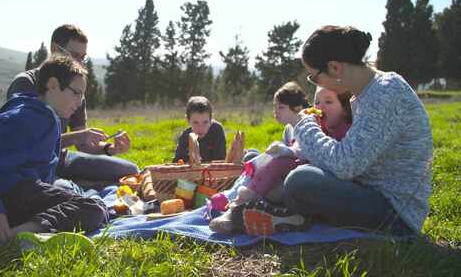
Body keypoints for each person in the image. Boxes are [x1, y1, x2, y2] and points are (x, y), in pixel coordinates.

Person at [247, 25, 433, 236]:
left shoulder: (385, 93)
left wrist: (304, 125)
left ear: (334, 68)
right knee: (261, 160)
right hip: (368, 192)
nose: (314, 84)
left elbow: (345, 165)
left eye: (314, 78)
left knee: (301, 181)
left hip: (396, 214)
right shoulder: (365, 95)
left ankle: (281, 210)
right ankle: (280, 210)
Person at [0, 55, 109, 245]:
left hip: (17, 193)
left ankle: (11, 234)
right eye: (76, 93)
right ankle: (2, 239)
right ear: (53, 85)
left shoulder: (42, 114)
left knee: (85, 202)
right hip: (1, 204)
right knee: (92, 207)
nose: (79, 103)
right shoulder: (24, 118)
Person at [210, 85, 353, 234]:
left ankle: (245, 207)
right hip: (300, 177)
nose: (320, 107)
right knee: (259, 162)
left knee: (281, 165)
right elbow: (300, 148)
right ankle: (254, 211)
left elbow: (334, 161)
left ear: (344, 108)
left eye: (328, 102)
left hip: (321, 182)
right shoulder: (316, 125)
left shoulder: (348, 131)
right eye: (317, 102)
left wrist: (288, 152)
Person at [7, 24, 138, 183]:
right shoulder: (26, 83)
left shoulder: (75, 87)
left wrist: (109, 148)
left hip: (62, 160)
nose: (80, 64)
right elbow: (24, 141)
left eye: (83, 58)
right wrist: (77, 137)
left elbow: (83, 145)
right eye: (75, 55)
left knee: (131, 171)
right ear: (55, 49)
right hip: (30, 165)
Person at [172, 96, 226, 163]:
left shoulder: (217, 131)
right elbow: (176, 163)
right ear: (188, 120)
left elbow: (220, 162)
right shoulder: (185, 136)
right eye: (195, 123)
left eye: (205, 122)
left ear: (211, 120)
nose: (200, 128)